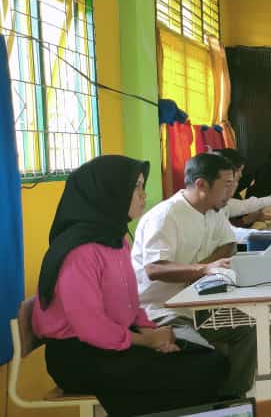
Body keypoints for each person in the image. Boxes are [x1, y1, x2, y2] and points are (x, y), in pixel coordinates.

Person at [33, 156, 229, 416]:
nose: (143, 194)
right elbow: (92, 327)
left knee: (210, 361)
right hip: (80, 357)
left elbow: (130, 303)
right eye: (135, 187)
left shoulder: (116, 240)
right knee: (200, 372)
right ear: (109, 193)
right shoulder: (79, 252)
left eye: (141, 186)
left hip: (115, 341)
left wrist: (153, 333)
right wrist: (147, 340)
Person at [132, 153, 256, 398]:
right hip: (161, 312)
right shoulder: (166, 216)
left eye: (233, 184)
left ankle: (232, 400)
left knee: (245, 327)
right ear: (201, 184)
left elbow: (228, 243)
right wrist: (203, 270)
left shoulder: (214, 211)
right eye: (226, 185)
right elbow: (154, 269)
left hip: (197, 307)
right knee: (202, 355)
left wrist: (201, 267)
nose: (231, 191)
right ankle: (205, 404)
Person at [214, 148, 271, 229]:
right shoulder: (214, 201)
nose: (241, 175)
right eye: (239, 170)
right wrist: (248, 219)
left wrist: (251, 219)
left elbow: (242, 206)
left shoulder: (233, 197)